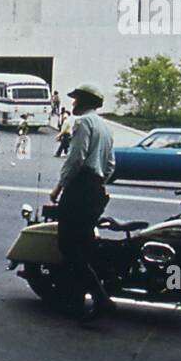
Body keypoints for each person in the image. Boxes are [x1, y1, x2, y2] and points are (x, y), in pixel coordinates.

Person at [49, 84, 116, 322]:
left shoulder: (83, 123)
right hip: (96, 189)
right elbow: (110, 165)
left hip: (80, 189)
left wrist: (59, 187)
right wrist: (98, 182)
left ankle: (100, 299)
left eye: (76, 99)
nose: (73, 103)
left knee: (69, 246)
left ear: (85, 102)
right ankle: (77, 300)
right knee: (84, 245)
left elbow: (76, 158)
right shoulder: (105, 127)